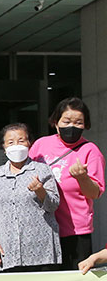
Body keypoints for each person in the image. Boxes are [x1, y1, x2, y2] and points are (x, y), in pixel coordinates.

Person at [29, 97, 105, 270]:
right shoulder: (41, 145)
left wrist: (82, 178)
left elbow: (94, 193)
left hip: (75, 231)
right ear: (56, 123)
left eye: (78, 122)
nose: (72, 126)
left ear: (85, 125)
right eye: (67, 121)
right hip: (43, 229)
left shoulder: (90, 151)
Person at [0, 123, 61, 272]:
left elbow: (53, 205)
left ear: (29, 143)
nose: (16, 145)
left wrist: (40, 191)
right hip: (8, 251)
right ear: (3, 146)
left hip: (41, 250)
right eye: (10, 142)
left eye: (21, 140)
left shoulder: (42, 170)